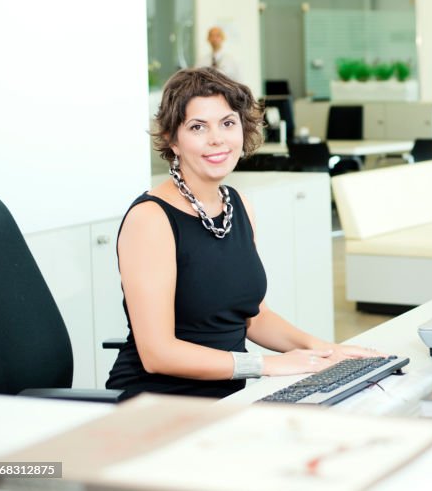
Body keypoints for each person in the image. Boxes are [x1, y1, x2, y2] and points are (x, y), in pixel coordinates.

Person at [107, 67, 379, 399]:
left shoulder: (238, 205)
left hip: (231, 398)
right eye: (197, 127)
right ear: (172, 140)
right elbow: (158, 354)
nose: (217, 139)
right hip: (158, 402)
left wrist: (323, 351)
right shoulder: (151, 219)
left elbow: (254, 317)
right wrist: (265, 365)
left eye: (227, 123)